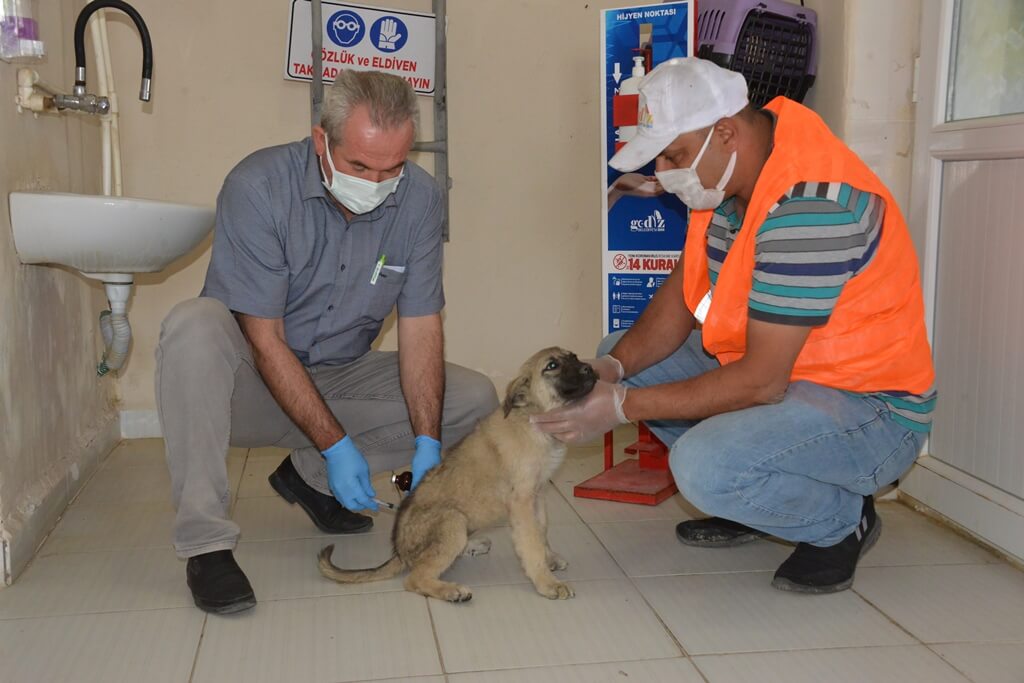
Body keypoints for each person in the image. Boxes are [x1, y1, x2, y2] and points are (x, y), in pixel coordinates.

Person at [533, 58, 936, 594]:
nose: (665, 173)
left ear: (725, 132)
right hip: (793, 377)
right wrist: (611, 369)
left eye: (674, 155)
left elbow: (761, 381)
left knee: (700, 466)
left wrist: (623, 407)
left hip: (871, 407)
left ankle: (840, 521)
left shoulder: (811, 207)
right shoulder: (729, 181)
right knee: (621, 355)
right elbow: (680, 298)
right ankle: (762, 492)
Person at [156, 70, 498, 614]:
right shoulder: (259, 186)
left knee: (474, 398)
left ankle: (307, 477)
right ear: (322, 141)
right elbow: (264, 339)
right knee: (193, 326)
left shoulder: (420, 200)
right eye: (360, 166)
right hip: (251, 383)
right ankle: (207, 545)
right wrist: (340, 445)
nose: (377, 181)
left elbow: (420, 326)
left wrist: (428, 446)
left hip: (340, 374)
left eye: (393, 167)